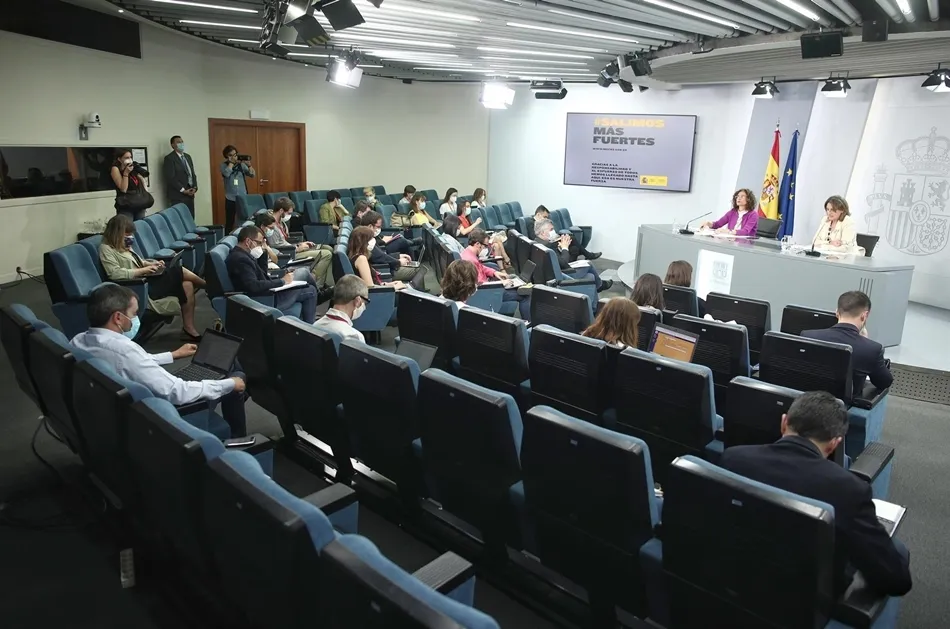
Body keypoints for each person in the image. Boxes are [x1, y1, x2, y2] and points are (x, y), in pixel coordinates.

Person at [720, 391, 912, 598]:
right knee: (897, 550)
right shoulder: (849, 490)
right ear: (834, 443)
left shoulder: (733, 458)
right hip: (803, 601)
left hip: (734, 583)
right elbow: (896, 581)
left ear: (784, 423)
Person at [71, 284, 249, 436]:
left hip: (108, 416)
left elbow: (133, 362)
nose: (135, 319)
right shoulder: (124, 351)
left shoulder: (79, 341)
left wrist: (173, 355)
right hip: (159, 417)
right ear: (118, 317)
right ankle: (237, 440)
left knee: (229, 371)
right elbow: (177, 392)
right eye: (133, 313)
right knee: (236, 375)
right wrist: (229, 384)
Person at [98, 214, 205, 341]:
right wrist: (143, 270)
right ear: (117, 233)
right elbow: (115, 273)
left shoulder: (124, 247)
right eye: (126, 234)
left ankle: (188, 328)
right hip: (138, 286)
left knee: (187, 284)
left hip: (146, 279)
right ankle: (207, 285)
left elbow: (139, 262)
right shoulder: (106, 249)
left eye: (130, 234)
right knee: (179, 271)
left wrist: (152, 264)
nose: (129, 237)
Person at [802, 291, 893, 397]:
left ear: (837, 312)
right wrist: (865, 341)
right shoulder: (872, 349)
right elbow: (884, 382)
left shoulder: (807, 336)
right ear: (864, 315)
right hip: (844, 405)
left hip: (808, 399)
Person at [226, 226, 318, 323]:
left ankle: (307, 325)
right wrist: (282, 281)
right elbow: (253, 285)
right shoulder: (241, 259)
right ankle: (309, 327)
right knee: (309, 287)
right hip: (264, 301)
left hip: (266, 295)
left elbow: (262, 276)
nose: (261, 246)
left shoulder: (243, 255)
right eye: (259, 243)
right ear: (248, 241)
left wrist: (263, 253)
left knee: (309, 288)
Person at [462, 228, 530, 320]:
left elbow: (481, 267)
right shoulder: (470, 260)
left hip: (488, 288)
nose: (486, 248)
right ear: (477, 244)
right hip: (487, 293)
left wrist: (495, 272)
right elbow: (481, 284)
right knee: (525, 295)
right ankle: (527, 323)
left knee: (513, 280)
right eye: (485, 245)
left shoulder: (467, 252)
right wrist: (501, 283)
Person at [256, 207, 333, 287]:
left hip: (281, 260)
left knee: (328, 249)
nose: (272, 229)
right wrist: (296, 248)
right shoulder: (257, 244)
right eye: (271, 228)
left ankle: (324, 286)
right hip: (285, 257)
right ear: (262, 226)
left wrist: (298, 244)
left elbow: (275, 258)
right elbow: (275, 252)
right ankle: (318, 286)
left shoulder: (265, 239)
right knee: (324, 256)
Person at [534, 219, 612, 292]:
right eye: (551, 229)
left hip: (554, 273)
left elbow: (557, 260)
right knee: (589, 264)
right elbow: (564, 263)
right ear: (542, 233)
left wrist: (561, 248)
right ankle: (600, 285)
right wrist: (565, 248)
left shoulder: (537, 242)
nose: (554, 231)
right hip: (563, 275)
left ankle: (599, 285)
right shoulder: (548, 247)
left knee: (590, 275)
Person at [357, 211, 427, 290]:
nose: (379, 229)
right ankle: (420, 295)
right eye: (378, 227)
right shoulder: (367, 241)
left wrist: (398, 256)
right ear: (370, 226)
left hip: (385, 268)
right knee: (418, 270)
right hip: (385, 270)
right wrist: (398, 262)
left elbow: (380, 255)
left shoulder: (364, 237)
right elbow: (380, 257)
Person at [347, 226, 407, 291]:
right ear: (363, 241)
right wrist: (394, 287)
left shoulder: (355, 256)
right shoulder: (361, 259)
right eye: (370, 239)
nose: (373, 241)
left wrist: (387, 285)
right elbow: (370, 288)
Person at [313, 275, 368, 343]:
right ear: (357, 301)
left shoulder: (315, 326)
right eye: (365, 302)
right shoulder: (354, 336)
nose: (364, 307)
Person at [110, 149, 152, 221]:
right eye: (126, 158)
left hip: (139, 203)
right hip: (126, 205)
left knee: (140, 224)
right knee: (128, 225)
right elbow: (123, 189)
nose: (129, 159)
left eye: (130, 157)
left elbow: (142, 182)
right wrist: (126, 173)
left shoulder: (133, 168)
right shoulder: (115, 169)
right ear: (119, 159)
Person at [221, 145, 256, 231]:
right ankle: (228, 236)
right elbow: (226, 174)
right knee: (230, 221)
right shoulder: (224, 165)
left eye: (235, 155)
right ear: (226, 156)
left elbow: (252, 175)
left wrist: (249, 166)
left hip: (242, 197)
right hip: (230, 197)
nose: (234, 157)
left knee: (244, 219)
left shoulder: (241, 165)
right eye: (231, 155)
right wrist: (231, 163)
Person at [162, 135, 198, 217]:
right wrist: (183, 190)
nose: (181, 143)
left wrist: (195, 187)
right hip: (177, 195)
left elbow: (192, 174)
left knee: (190, 218)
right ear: (172, 145)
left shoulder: (188, 157)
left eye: (182, 142)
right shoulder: (169, 158)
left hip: (190, 194)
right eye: (178, 142)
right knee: (179, 219)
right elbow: (171, 177)